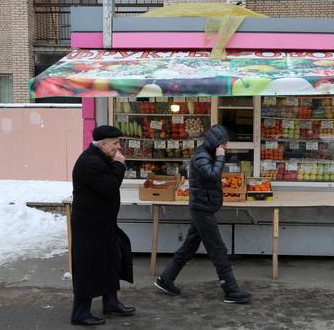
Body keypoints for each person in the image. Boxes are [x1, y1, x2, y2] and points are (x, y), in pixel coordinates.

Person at [154, 124, 252, 304]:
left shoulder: (207, 153)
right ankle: (230, 290)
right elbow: (212, 175)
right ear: (216, 143)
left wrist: (218, 156)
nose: (226, 147)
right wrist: (221, 158)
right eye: (223, 144)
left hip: (203, 206)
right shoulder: (202, 156)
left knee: (189, 247)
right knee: (218, 250)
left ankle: (165, 279)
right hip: (202, 209)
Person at [70, 125, 135, 326]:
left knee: (113, 258)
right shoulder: (91, 162)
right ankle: (80, 313)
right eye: (115, 143)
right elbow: (108, 187)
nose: (118, 147)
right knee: (88, 266)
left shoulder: (100, 158)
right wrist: (119, 166)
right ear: (103, 144)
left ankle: (111, 302)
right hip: (90, 225)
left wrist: (114, 164)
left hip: (103, 222)